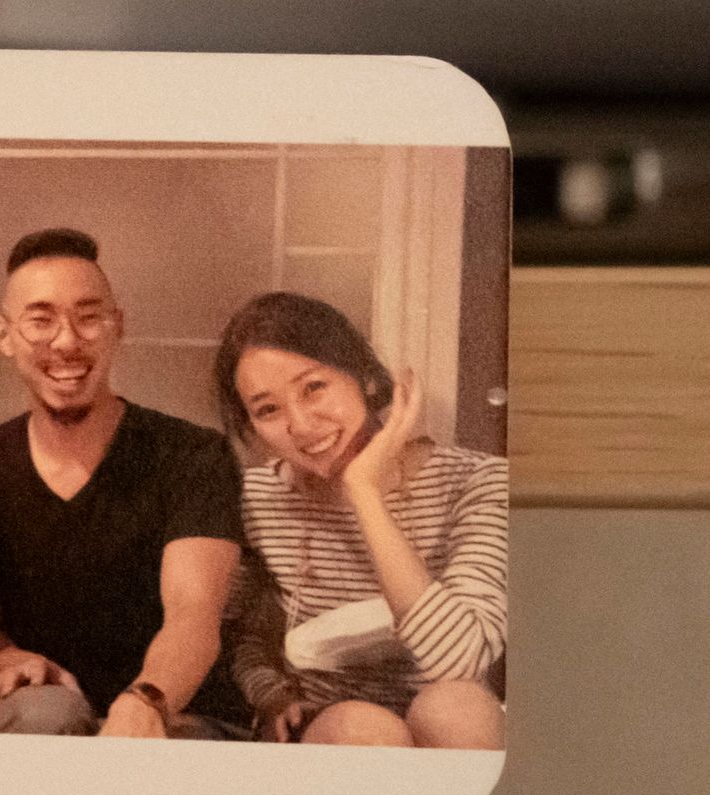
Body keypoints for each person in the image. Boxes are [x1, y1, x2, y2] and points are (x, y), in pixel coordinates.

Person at [0, 228, 247, 738]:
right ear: (4, 335)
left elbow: (193, 616)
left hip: (177, 708)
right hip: (42, 711)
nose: (67, 342)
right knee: (43, 717)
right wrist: (6, 658)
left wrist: (147, 699)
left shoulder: (193, 455)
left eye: (88, 318)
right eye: (40, 321)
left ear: (117, 327)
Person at [216, 290, 509, 749]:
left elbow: (460, 661)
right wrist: (271, 695)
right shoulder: (257, 498)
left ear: (367, 380)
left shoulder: (479, 482)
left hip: (450, 715)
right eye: (268, 409)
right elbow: (243, 634)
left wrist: (365, 493)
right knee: (364, 729)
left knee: (456, 707)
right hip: (328, 727)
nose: (301, 424)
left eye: (314, 387)